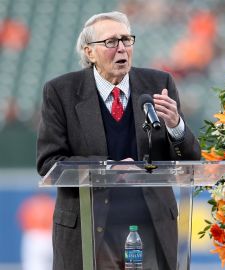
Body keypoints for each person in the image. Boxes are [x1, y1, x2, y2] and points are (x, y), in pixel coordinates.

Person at [36, 11, 201, 270]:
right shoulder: (60, 92)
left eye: (126, 39)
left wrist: (175, 126)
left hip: (151, 227)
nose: (121, 48)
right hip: (89, 231)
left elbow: (190, 162)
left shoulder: (159, 83)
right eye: (111, 42)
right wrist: (109, 169)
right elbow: (49, 164)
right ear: (89, 52)